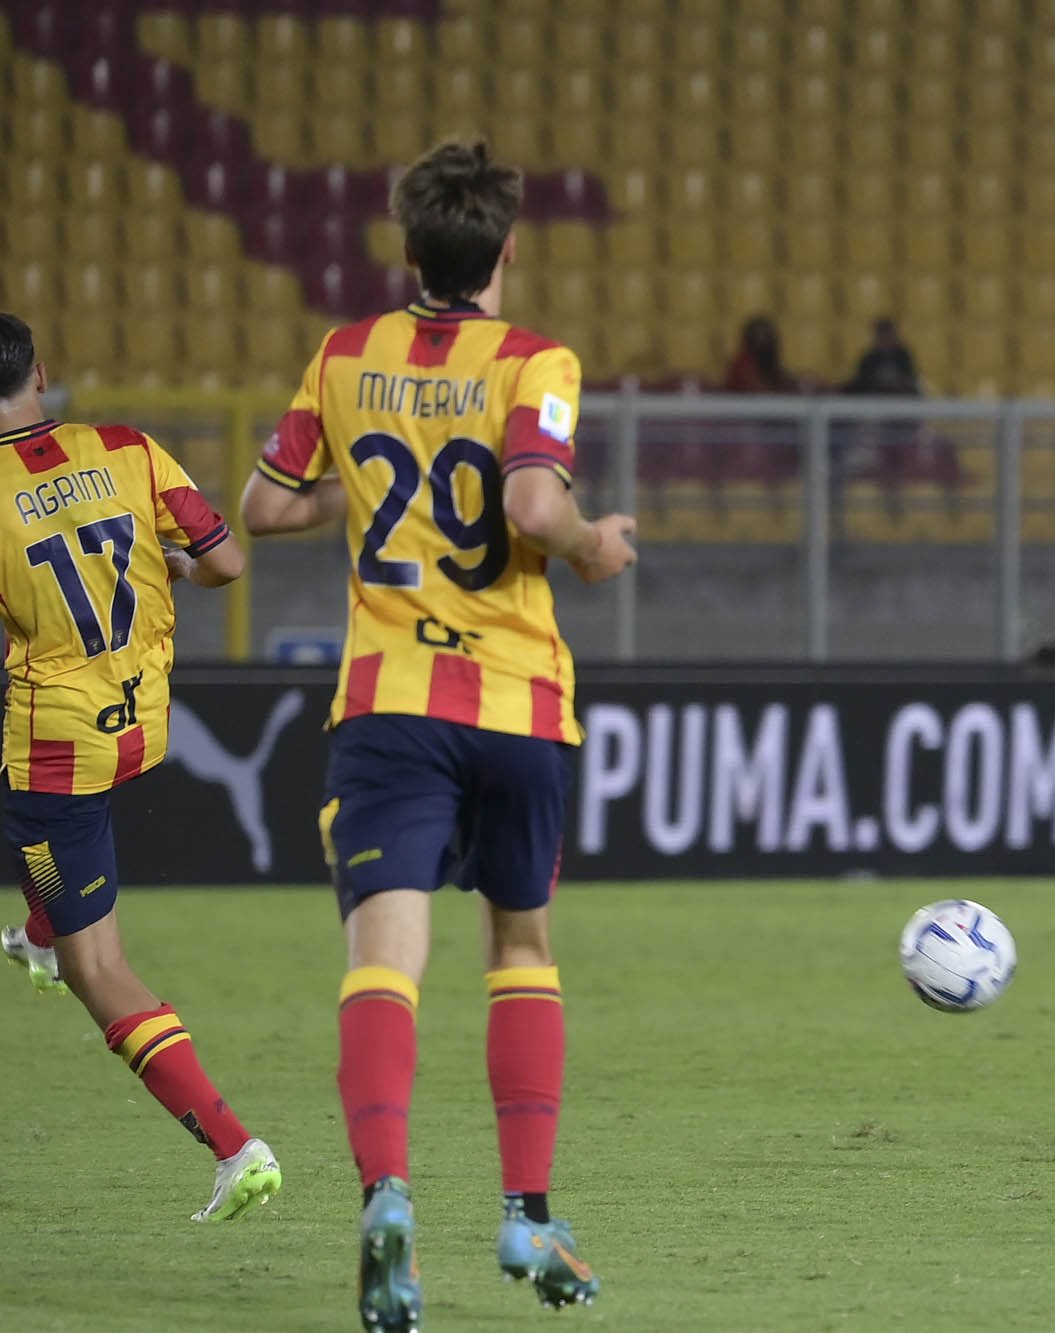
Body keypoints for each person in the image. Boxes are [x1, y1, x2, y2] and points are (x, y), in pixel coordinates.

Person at [239, 139, 636, 1330]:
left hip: (391, 703)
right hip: (515, 702)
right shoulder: (534, 361)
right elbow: (527, 500)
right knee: (519, 947)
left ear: (407, 251)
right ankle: (525, 1210)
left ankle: (386, 1196)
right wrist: (589, 542)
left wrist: (358, 492)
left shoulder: (344, 353)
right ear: (507, 251)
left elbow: (261, 506)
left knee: (383, 958)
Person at [0, 312, 281, 1221]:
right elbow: (227, 562)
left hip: (55, 748)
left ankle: (236, 1146)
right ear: (41, 370)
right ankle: (38, 931)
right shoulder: (127, 446)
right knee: (41, 845)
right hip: (139, 720)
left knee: (100, 968)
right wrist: (168, 567)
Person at [842, 316, 921, 396]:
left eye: (887, 336)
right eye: (881, 336)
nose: (884, 340)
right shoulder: (868, 359)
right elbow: (860, 384)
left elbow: (910, 380)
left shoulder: (903, 357)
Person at [722, 314, 801, 393]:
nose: (762, 341)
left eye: (766, 337)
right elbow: (757, 390)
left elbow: (779, 379)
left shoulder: (770, 360)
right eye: (758, 337)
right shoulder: (741, 363)